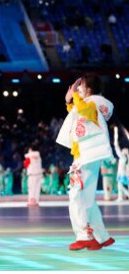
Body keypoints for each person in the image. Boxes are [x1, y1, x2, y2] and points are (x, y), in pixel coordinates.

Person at [56, 75, 116, 250]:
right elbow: (77, 112)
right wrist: (69, 100)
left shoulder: (92, 103)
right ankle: (101, 236)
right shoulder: (94, 104)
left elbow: (82, 110)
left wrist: (74, 96)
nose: (78, 89)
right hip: (89, 154)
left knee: (76, 196)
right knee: (87, 198)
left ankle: (84, 236)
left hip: (86, 155)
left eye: (80, 86)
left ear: (89, 88)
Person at [115, 128, 129, 202]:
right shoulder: (122, 157)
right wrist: (116, 134)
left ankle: (123, 196)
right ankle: (120, 197)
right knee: (120, 186)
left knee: (121, 186)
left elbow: (116, 146)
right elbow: (116, 146)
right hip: (122, 174)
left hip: (125, 175)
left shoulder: (123, 157)